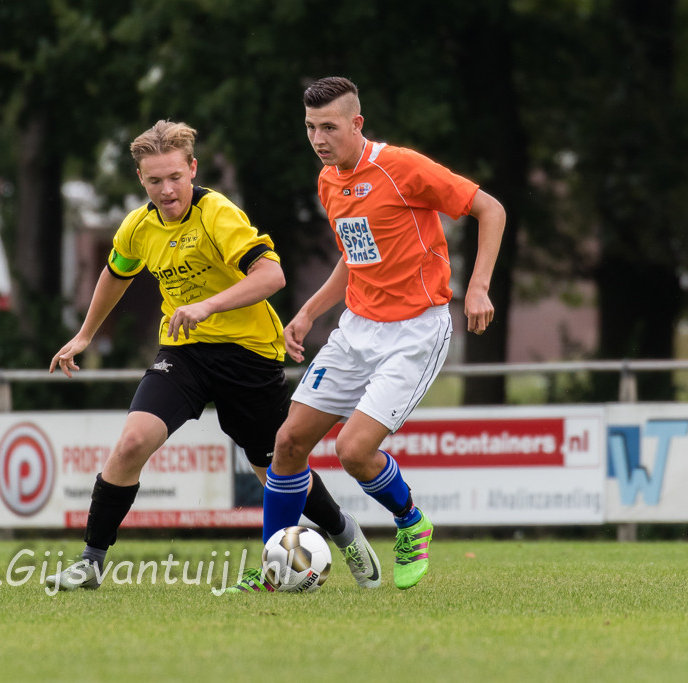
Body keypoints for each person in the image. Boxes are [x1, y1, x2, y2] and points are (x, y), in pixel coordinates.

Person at [44, 120, 380, 592]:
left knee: (277, 469)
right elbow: (116, 272)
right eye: (155, 180)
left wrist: (207, 306)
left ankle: (344, 532)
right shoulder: (138, 227)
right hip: (184, 353)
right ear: (140, 179)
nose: (166, 189)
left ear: (192, 169)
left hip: (249, 355)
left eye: (175, 177)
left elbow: (272, 276)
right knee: (132, 442)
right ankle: (90, 563)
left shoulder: (216, 213)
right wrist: (84, 335)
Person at [232, 77, 505, 591]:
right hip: (357, 330)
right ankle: (274, 569)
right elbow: (354, 257)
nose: (318, 139)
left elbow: (491, 208)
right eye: (310, 127)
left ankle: (411, 522)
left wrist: (478, 287)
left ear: (357, 123)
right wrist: (309, 312)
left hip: (415, 331)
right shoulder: (328, 180)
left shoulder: (401, 168)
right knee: (288, 443)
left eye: (329, 127)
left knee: (354, 451)